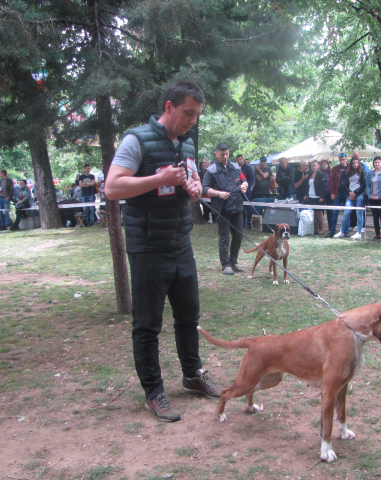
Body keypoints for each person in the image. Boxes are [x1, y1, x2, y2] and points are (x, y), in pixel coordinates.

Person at [105, 81, 221, 422]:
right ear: (169, 107)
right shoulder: (136, 140)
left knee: (189, 317)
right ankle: (154, 392)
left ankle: (192, 374)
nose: (192, 122)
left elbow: (193, 181)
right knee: (148, 325)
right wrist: (157, 180)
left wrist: (196, 188)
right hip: (148, 248)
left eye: (197, 115)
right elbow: (112, 187)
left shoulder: (186, 143)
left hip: (180, 244)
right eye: (188, 113)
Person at [202, 142, 249, 275]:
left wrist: (244, 185)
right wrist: (218, 193)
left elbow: (244, 180)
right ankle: (225, 264)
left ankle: (233, 262)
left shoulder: (235, 167)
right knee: (224, 237)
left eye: (227, 154)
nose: (225, 157)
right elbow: (204, 188)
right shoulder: (211, 170)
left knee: (238, 236)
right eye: (222, 154)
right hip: (222, 209)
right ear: (216, 154)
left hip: (237, 207)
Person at [340, 155, 366, 240]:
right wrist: (350, 193)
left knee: (359, 213)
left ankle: (358, 232)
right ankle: (341, 231)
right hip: (350, 195)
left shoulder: (363, 172)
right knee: (346, 212)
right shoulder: (349, 173)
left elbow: (364, 185)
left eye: (357, 162)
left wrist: (355, 192)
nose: (355, 164)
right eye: (354, 163)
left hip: (359, 195)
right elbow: (345, 185)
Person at [366, 157, 381, 241]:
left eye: (379, 162)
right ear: (373, 164)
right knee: (375, 217)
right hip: (372, 198)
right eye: (375, 162)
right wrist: (370, 195)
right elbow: (368, 185)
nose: (377, 164)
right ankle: (377, 234)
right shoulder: (370, 173)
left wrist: (379, 196)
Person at [327, 153, 350, 237]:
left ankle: (346, 231)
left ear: (346, 159)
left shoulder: (350, 168)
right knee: (335, 212)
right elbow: (331, 182)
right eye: (340, 160)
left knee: (347, 212)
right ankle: (332, 230)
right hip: (337, 193)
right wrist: (332, 193)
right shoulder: (335, 169)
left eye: (344, 159)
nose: (342, 161)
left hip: (347, 193)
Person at [303, 160, 326, 234]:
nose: (314, 167)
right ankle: (315, 229)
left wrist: (322, 196)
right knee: (314, 213)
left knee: (319, 213)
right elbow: (307, 185)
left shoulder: (321, 174)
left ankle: (322, 229)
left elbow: (323, 187)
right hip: (311, 196)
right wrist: (306, 194)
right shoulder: (309, 174)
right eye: (312, 166)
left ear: (318, 166)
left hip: (318, 196)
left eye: (315, 165)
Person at [235, 154, 255, 228]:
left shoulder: (248, 168)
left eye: (240, 159)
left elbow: (252, 178)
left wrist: (247, 186)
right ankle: (242, 223)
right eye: (238, 159)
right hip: (238, 191)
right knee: (241, 207)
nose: (239, 161)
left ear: (243, 159)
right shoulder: (236, 168)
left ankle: (249, 223)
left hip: (247, 190)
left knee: (248, 207)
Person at [320, 159, 333, 229]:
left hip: (329, 194)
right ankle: (321, 227)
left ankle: (330, 226)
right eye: (322, 164)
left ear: (328, 165)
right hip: (321, 194)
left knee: (329, 211)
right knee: (321, 211)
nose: (324, 165)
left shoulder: (331, 173)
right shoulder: (319, 173)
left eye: (325, 164)